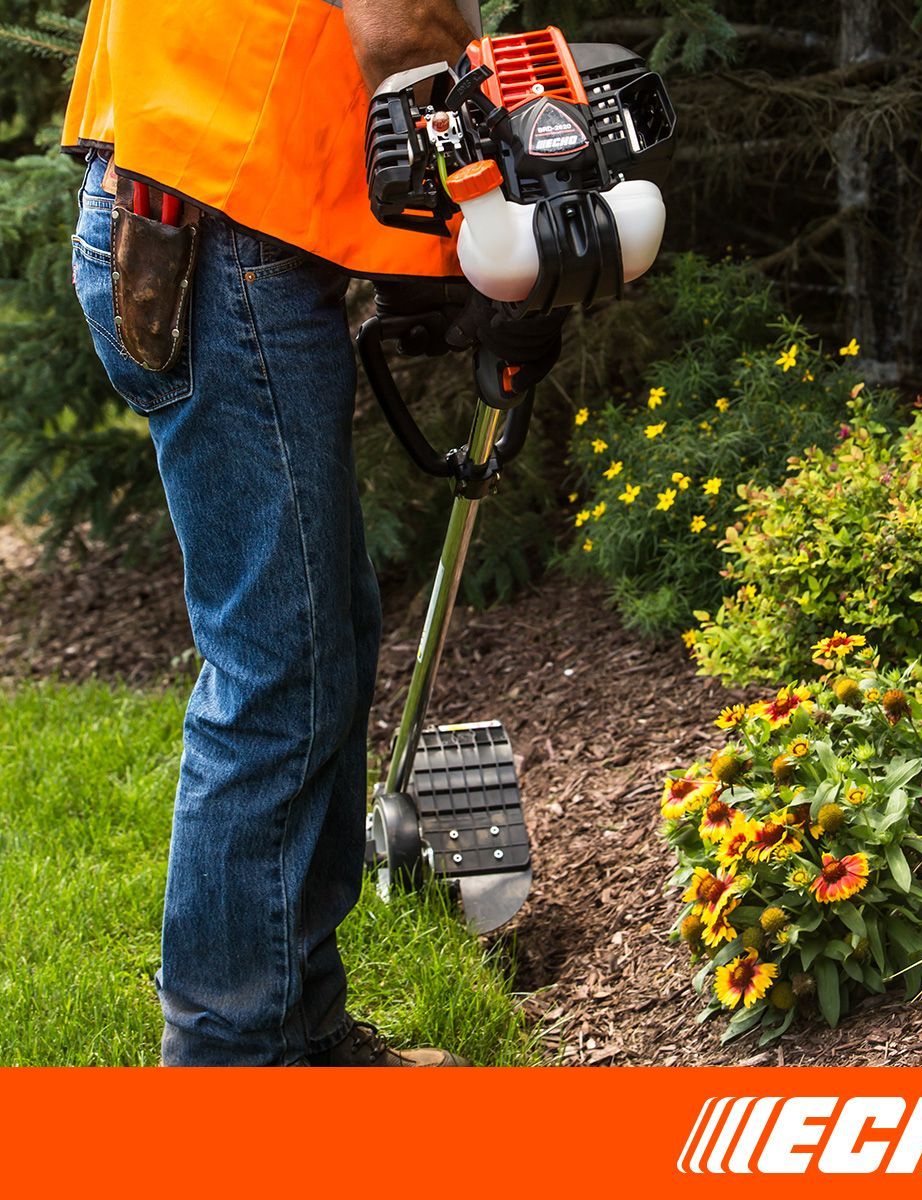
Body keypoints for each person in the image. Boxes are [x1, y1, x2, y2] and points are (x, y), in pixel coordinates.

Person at [63, 0, 561, 1066]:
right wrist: (508, 146)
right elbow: (397, 21)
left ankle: (291, 1026)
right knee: (280, 668)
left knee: (322, 634)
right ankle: (235, 1064)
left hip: (181, 211)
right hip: (215, 241)